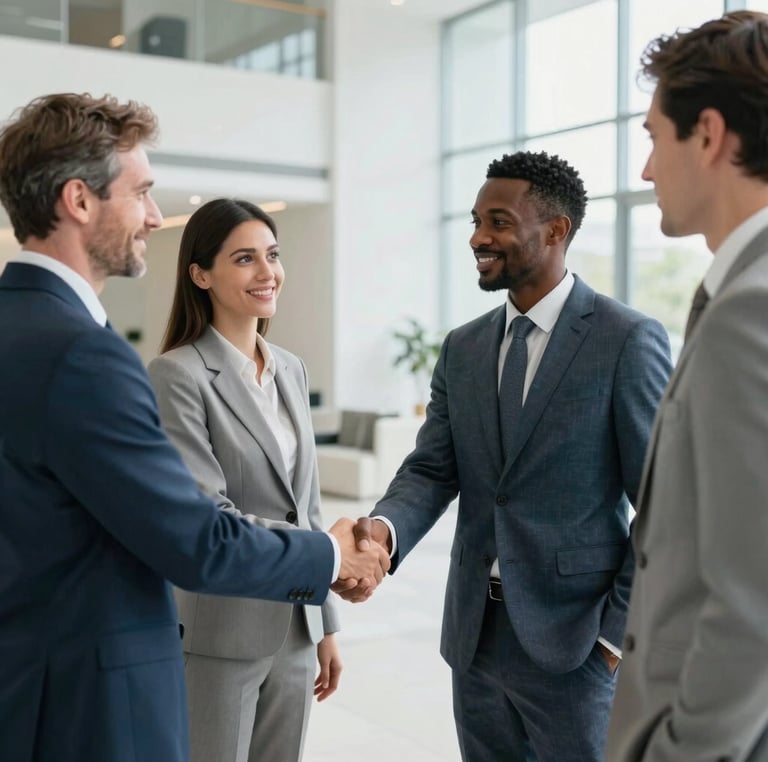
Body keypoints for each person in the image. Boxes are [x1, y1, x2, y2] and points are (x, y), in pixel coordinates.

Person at [0, 92, 387, 762]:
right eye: (142, 193)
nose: (154, 215)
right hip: (88, 708)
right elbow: (195, 537)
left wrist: (322, 613)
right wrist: (330, 556)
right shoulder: (86, 356)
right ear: (79, 201)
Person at [344, 150, 672, 761]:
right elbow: (432, 468)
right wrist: (383, 534)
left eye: (497, 221)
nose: (478, 237)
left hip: (577, 647)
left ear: (555, 230)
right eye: (475, 221)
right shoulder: (463, 348)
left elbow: (664, 506)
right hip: (474, 638)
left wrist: (612, 640)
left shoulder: (626, 340)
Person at [606, 11, 768, 761]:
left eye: (651, 138)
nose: (644, 172)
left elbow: (752, 600)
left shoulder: (750, 311)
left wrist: (680, 750)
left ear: (707, 135)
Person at [147, 198, 341, 762]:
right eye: (245, 258)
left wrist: (325, 624)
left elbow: (305, 505)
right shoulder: (178, 374)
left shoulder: (290, 367)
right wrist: (330, 556)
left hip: (298, 626)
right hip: (221, 635)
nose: (267, 272)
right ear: (200, 274)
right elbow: (206, 515)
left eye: (272, 256)